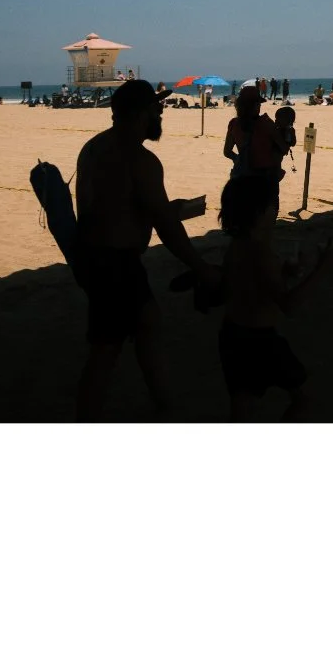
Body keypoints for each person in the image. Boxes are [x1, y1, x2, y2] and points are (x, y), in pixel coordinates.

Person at [73, 79, 217, 422]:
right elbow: (165, 227)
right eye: (156, 108)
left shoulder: (94, 147)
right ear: (141, 114)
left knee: (148, 324)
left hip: (93, 258)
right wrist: (201, 267)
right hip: (116, 263)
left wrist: (167, 210)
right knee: (106, 351)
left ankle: (164, 404)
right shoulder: (141, 159)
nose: (161, 113)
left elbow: (116, 206)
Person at [217, 176, 333, 421]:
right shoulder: (261, 253)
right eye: (272, 205)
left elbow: (253, 286)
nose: (275, 210)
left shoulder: (238, 246)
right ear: (258, 212)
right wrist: (323, 267)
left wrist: (283, 273)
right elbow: (289, 305)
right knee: (304, 399)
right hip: (261, 340)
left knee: (242, 406)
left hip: (232, 335)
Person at [223, 86, 289, 204]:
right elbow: (284, 149)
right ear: (254, 106)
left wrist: (239, 159)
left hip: (242, 177)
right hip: (265, 178)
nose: (260, 106)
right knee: (266, 210)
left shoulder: (234, 124)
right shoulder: (266, 123)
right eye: (258, 104)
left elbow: (227, 152)